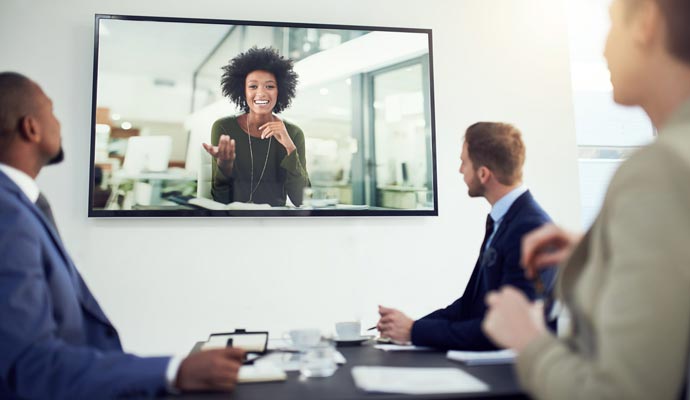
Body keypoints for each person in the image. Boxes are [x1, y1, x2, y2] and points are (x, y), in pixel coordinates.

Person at [482, 0, 690, 398]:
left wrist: (527, 339)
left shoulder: (661, 170)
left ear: (646, 21)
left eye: (611, 26)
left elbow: (622, 392)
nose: (603, 49)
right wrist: (607, 252)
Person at [0, 72, 246, 399]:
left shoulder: (22, 203)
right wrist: (176, 371)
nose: (59, 122)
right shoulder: (7, 213)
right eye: (51, 110)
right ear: (31, 127)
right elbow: (26, 365)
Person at [376, 122, 555, 350]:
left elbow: (505, 329)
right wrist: (406, 327)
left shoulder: (530, 229)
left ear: (483, 174)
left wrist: (414, 331)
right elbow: (470, 306)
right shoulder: (503, 220)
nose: (460, 170)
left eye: (464, 162)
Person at [202, 46, 309, 207]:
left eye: (270, 86)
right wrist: (224, 167)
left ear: (280, 91)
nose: (261, 93)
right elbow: (220, 200)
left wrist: (289, 148)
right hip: (233, 221)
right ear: (243, 92)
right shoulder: (224, 127)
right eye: (253, 86)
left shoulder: (293, 133)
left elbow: (300, 200)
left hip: (275, 222)